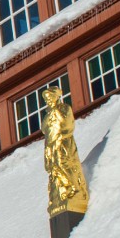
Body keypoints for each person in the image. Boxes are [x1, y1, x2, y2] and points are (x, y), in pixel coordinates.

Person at [42, 85, 89, 219]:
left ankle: (74, 188)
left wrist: (55, 112)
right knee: (54, 168)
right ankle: (60, 192)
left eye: (50, 97)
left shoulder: (63, 108)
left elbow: (67, 125)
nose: (48, 100)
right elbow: (44, 129)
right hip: (51, 146)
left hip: (62, 142)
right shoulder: (49, 113)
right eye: (46, 98)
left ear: (56, 97)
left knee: (64, 164)